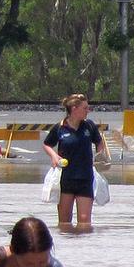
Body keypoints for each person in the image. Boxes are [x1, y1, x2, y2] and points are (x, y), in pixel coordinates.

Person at [41, 93, 108, 228]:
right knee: (64, 222)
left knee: (84, 222)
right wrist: (54, 156)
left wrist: (100, 156)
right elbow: (47, 144)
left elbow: (99, 142)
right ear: (74, 109)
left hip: (85, 178)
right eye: (85, 108)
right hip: (66, 178)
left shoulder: (89, 126)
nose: (88, 111)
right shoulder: (60, 127)